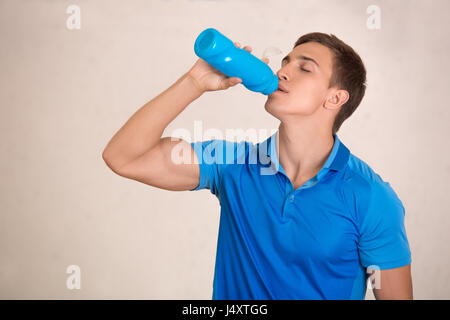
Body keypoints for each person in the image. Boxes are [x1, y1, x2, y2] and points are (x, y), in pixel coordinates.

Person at [102, 32, 413, 300]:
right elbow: (124, 157)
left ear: (334, 99)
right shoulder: (231, 165)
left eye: (304, 68)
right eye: (285, 62)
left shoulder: (370, 197)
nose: (283, 72)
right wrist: (193, 82)